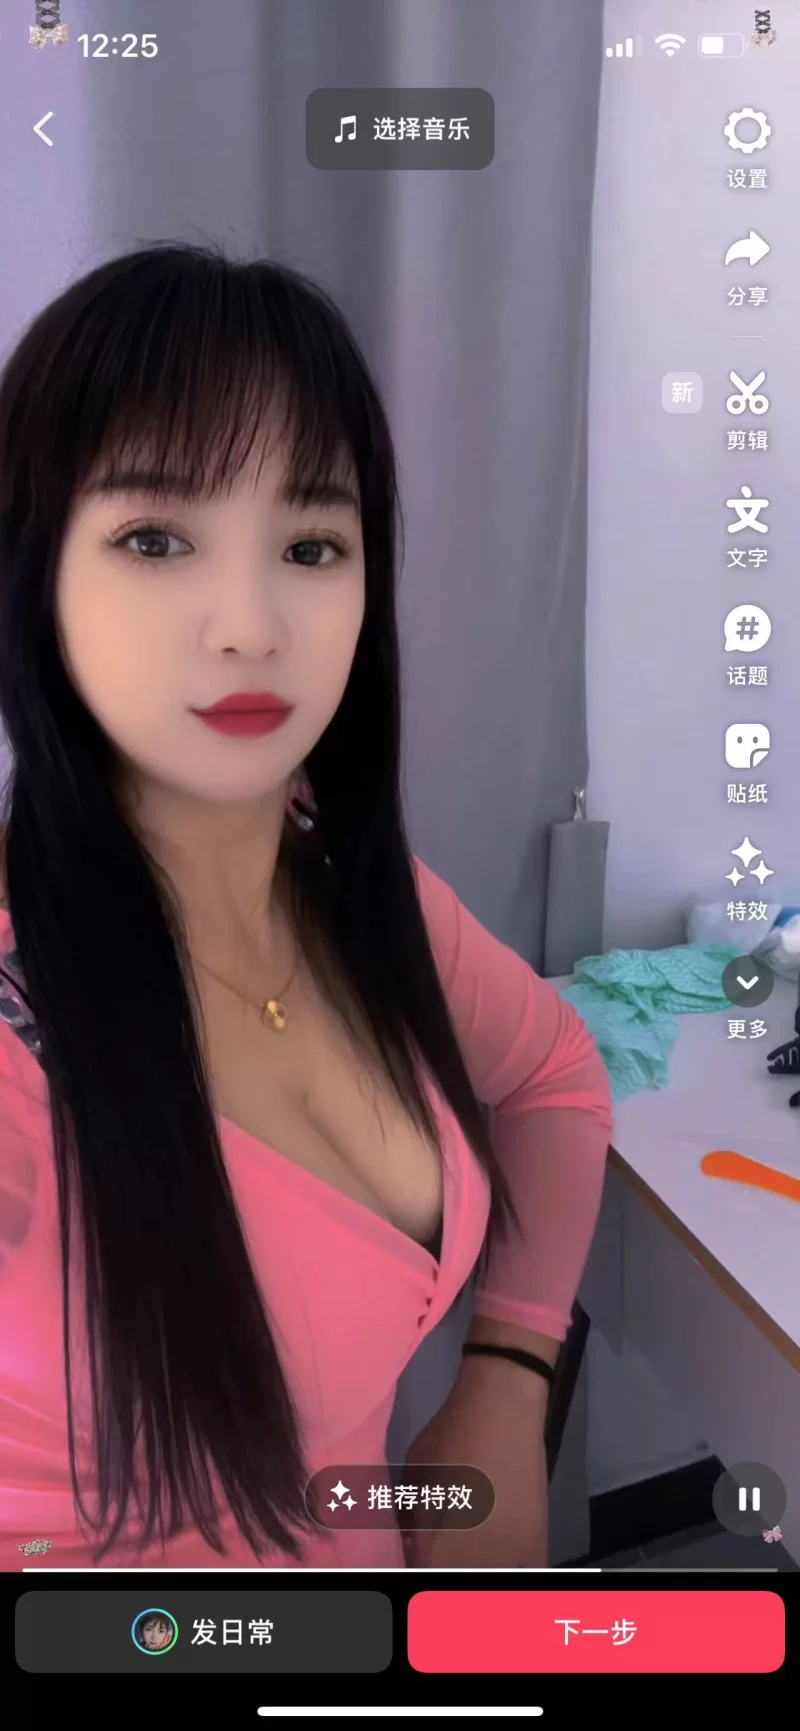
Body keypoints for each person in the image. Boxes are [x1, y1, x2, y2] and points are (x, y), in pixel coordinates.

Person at [0, 244, 613, 1571]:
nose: (250, 624)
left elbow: (554, 1073)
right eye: (155, 539)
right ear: (35, 571)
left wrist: (507, 1378)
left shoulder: (345, 882)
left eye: (311, 544)